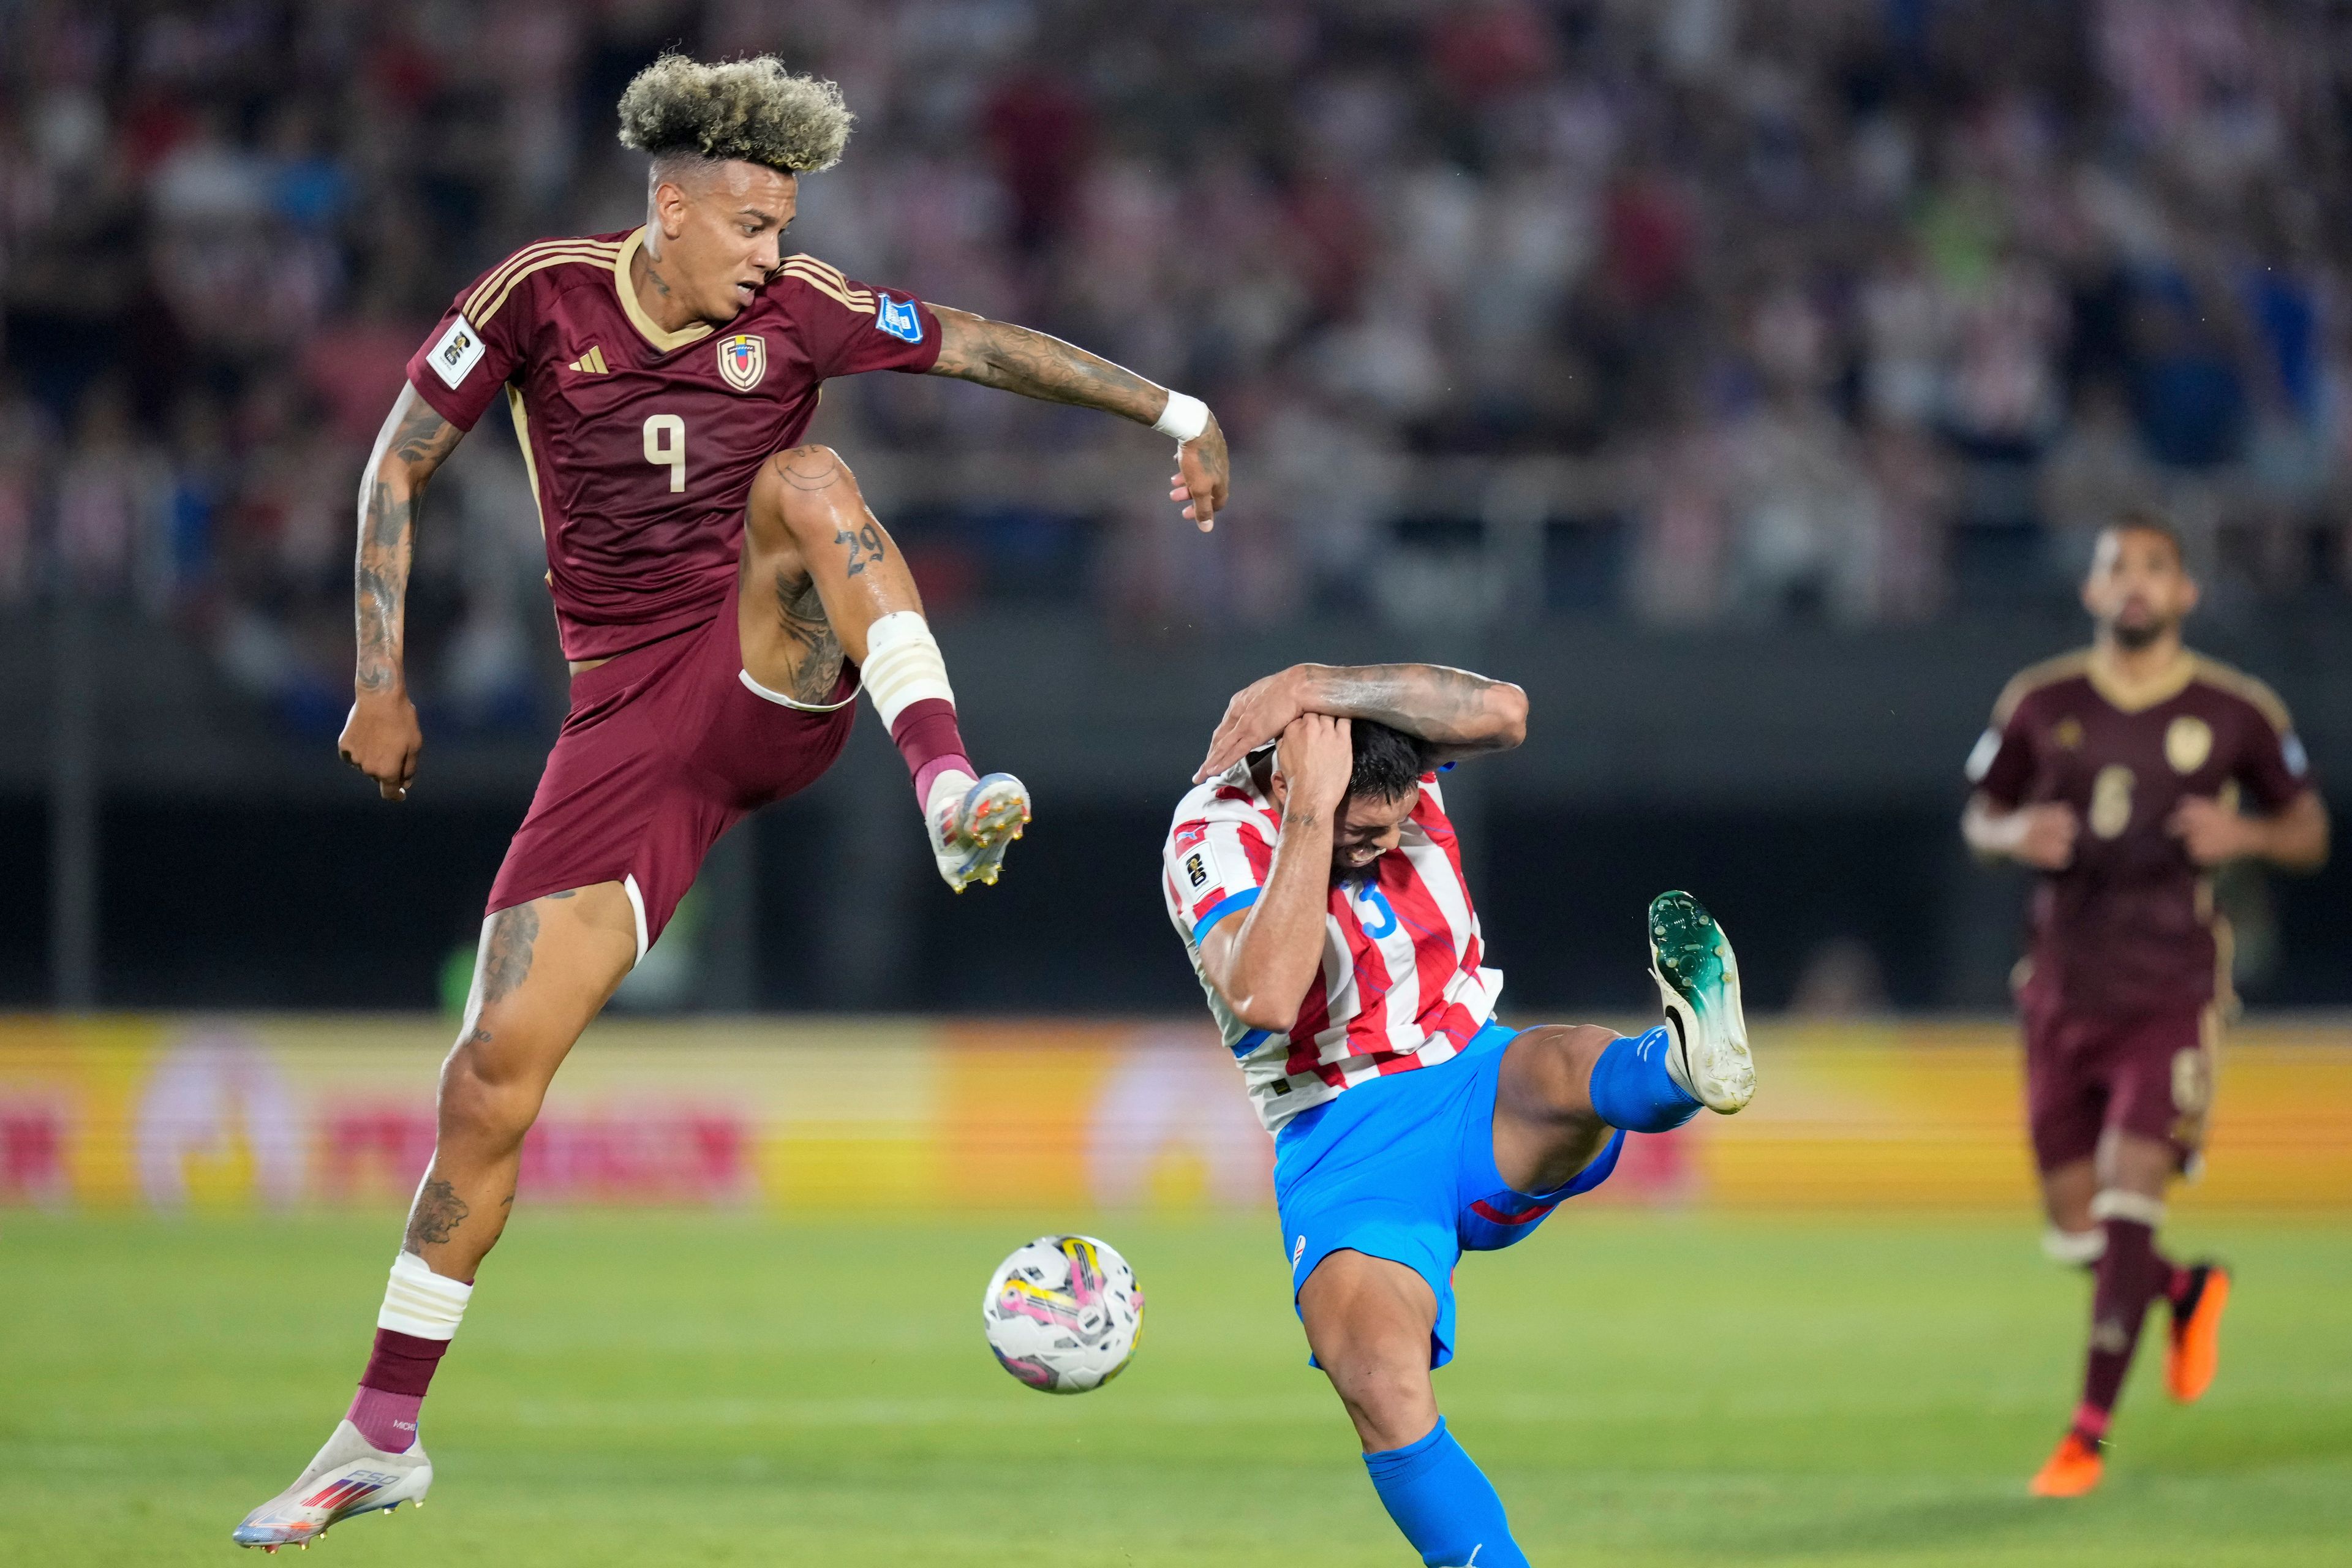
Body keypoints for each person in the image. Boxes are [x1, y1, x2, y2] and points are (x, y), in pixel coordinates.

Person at [233, 55, 1230, 1551]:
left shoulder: (798, 311)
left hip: (769, 676)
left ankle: (948, 782)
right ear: (673, 204)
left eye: (783, 227)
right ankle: (380, 1430)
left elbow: (974, 343)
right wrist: (381, 674)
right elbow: (397, 465)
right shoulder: (539, 297)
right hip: (623, 727)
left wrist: (1175, 409)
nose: (775, 254)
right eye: (754, 224)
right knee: (488, 1074)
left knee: (812, 479)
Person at [1162, 663, 1755, 1568]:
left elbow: (1507, 712)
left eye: (1398, 824)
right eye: (1366, 830)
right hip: (1343, 1131)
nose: (1384, 842)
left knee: (1563, 1063)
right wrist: (1316, 820)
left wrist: (1318, 683)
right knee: (1377, 1378)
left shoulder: (1387, 751)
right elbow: (1269, 997)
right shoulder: (1211, 833)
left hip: (1473, 1071)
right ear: (1290, 780)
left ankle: (1684, 1060)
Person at [1961, 511, 2329, 1498]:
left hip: (2171, 986)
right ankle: (2183, 1287)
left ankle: (2086, 1436)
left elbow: (2308, 830)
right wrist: (2012, 834)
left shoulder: (2236, 710)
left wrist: (2245, 836)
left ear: (2184, 595)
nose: (2135, 583)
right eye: (2117, 566)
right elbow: (1979, 814)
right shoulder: (2040, 703)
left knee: (2130, 1194)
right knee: (2077, 1227)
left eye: (2155, 569)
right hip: (2061, 988)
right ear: (2091, 591)